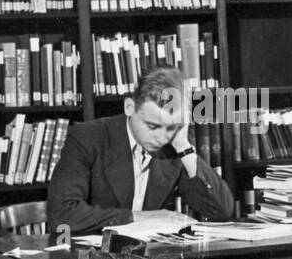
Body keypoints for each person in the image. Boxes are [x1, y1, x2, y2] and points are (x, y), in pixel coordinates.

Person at [47, 65, 235, 235]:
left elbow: (222, 212)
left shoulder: (174, 143)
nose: (162, 138)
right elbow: (62, 215)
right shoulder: (88, 137)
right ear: (130, 107)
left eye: (171, 128)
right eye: (152, 126)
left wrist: (184, 148)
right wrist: (140, 217)